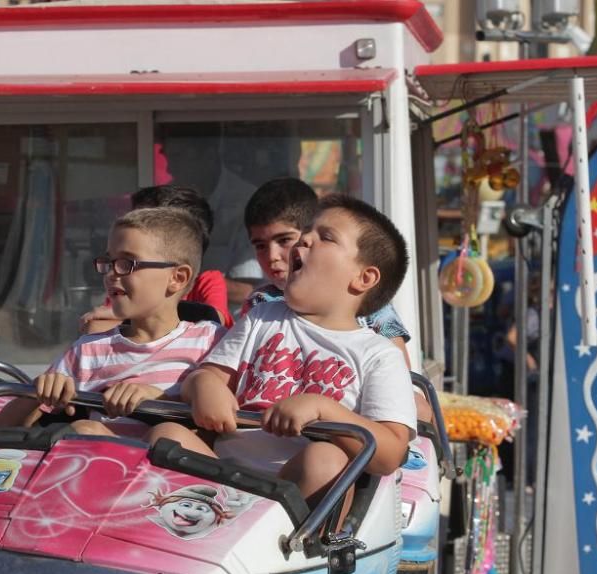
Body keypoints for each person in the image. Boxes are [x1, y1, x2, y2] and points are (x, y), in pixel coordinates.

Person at [148, 195, 417, 504]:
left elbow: (392, 453)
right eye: (306, 232)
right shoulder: (262, 317)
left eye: (325, 237)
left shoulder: (379, 354)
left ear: (363, 277)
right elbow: (208, 374)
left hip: (294, 501)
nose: (305, 240)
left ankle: (296, 548)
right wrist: (204, 387)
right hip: (222, 476)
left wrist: (323, 408)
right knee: (167, 434)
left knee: (326, 460)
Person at [0, 208, 224, 437]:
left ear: (177, 278)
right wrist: (38, 391)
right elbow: (2, 429)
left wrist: (158, 400)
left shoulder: (212, 342)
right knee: (85, 430)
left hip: (177, 470)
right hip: (101, 467)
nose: (111, 273)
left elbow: (229, 420)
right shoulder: (89, 350)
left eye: (127, 263)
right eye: (109, 262)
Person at [241, 177, 432, 421]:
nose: (273, 256)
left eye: (284, 240)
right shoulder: (260, 305)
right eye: (259, 245)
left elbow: (400, 383)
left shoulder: (370, 307)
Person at [80, 185, 232, 333]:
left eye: (146, 220)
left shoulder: (208, 281)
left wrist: (124, 316)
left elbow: (213, 323)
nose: (132, 225)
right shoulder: (123, 284)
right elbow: (94, 327)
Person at [159, 123, 263, 310]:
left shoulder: (247, 202)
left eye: (178, 157)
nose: (169, 169)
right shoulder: (167, 202)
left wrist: (183, 281)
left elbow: (248, 290)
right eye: (167, 157)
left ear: (208, 156)